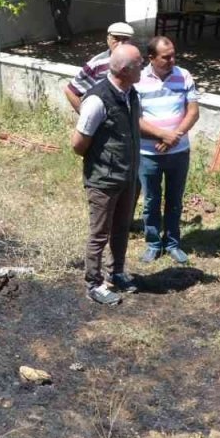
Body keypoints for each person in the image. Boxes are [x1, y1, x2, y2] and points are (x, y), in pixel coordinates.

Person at [72, 43, 144, 305]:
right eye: (139, 64)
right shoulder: (97, 100)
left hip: (128, 177)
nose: (144, 67)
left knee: (122, 228)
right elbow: (78, 144)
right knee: (99, 233)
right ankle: (93, 283)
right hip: (103, 180)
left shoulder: (131, 93)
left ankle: (117, 273)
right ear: (125, 70)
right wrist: (105, 163)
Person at [135, 36, 200, 264]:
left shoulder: (183, 75)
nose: (172, 60)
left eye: (173, 55)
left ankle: (172, 243)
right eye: (166, 57)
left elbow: (193, 111)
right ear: (151, 58)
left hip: (179, 152)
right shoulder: (138, 79)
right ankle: (153, 243)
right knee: (152, 200)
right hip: (148, 153)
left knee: (175, 199)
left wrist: (175, 136)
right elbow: (135, 118)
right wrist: (162, 135)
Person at [64, 22, 135, 112]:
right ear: (108, 39)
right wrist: (87, 116)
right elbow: (70, 90)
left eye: (125, 39)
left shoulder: (137, 61)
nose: (120, 44)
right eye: (116, 39)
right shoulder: (98, 64)